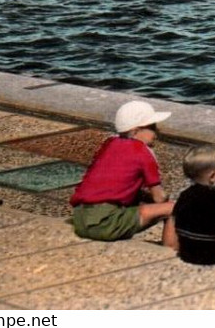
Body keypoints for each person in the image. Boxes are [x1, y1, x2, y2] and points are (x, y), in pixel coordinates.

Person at [69, 99, 173, 241]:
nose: (157, 131)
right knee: (175, 209)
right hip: (106, 223)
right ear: (135, 131)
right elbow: (159, 197)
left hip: (80, 219)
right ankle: (171, 251)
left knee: (147, 202)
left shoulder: (109, 144)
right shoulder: (142, 152)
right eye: (152, 127)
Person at [163, 145, 215, 265]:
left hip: (186, 252)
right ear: (212, 176)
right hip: (210, 255)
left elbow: (172, 222)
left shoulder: (184, 195)